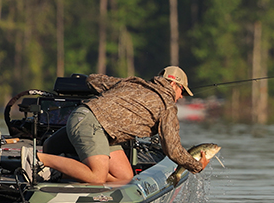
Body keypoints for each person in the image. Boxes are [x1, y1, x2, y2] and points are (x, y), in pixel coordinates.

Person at [22, 66, 209, 184]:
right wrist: (196, 165)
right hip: (92, 125)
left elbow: (94, 80)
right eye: (183, 91)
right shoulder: (167, 106)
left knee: (124, 178)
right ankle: (38, 159)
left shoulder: (134, 83)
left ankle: (57, 173)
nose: (182, 97)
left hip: (91, 123)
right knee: (98, 177)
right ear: (174, 85)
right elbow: (173, 149)